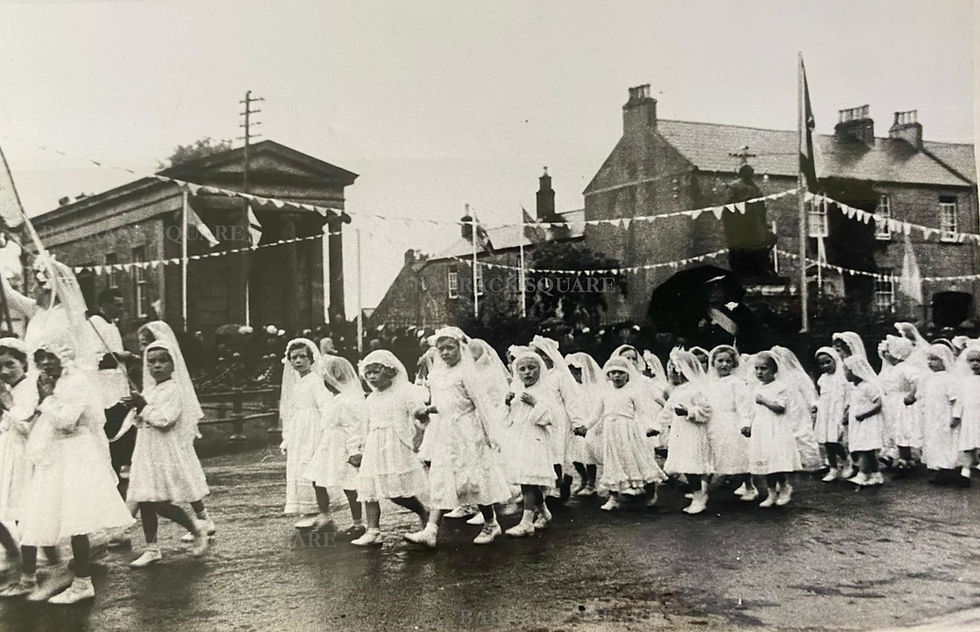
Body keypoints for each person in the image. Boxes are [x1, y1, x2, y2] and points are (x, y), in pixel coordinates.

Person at [3, 344, 134, 603]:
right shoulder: (53, 382)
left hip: (76, 454)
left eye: (51, 357)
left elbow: (67, 421)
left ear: (64, 356)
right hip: (58, 454)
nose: (47, 363)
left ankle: (82, 582)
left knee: (77, 520)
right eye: (41, 359)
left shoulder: (75, 382)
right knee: (55, 517)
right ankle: (69, 576)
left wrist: (47, 399)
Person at [405, 328, 511, 547]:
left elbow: (481, 405)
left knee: (475, 479)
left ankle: (491, 523)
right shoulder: (436, 374)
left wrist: (491, 435)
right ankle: (431, 530)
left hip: (468, 432)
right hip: (445, 432)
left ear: (460, 348)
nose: (445, 353)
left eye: (450, 348)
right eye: (441, 349)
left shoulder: (467, 373)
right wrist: (429, 409)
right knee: (443, 477)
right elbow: (446, 401)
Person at [126, 341, 211, 567]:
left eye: (163, 361)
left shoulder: (175, 390)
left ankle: (196, 529)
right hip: (146, 447)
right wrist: (135, 408)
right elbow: (142, 419)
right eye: (151, 362)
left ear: (173, 364)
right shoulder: (150, 389)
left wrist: (143, 407)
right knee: (145, 500)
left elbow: (165, 420)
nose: (157, 366)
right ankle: (152, 548)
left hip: (163, 450)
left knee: (161, 502)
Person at [137, 322, 216, 541]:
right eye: (143, 349)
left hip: (170, 437)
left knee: (182, 477)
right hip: (151, 439)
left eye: (146, 344)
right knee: (160, 486)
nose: (144, 351)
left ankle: (200, 520)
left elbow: (165, 418)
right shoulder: (151, 382)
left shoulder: (173, 386)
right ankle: (199, 519)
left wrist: (143, 408)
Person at [350, 350, 429, 547]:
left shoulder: (403, 393)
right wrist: (358, 448)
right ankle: (373, 530)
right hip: (374, 445)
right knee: (368, 489)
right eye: (367, 374)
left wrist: (420, 416)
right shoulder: (371, 399)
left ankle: (423, 511)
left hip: (394, 444)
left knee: (396, 493)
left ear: (389, 372)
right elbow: (364, 425)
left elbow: (418, 413)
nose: (371, 377)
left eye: (376, 372)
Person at [573, 357, 666, 511]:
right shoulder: (605, 392)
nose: (617, 376)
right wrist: (585, 427)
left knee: (637, 460)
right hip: (610, 431)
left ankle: (651, 492)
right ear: (608, 375)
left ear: (628, 375)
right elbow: (597, 414)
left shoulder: (633, 392)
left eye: (621, 373)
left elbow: (643, 413)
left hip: (629, 431)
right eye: (613, 373)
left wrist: (651, 426)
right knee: (613, 462)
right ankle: (613, 497)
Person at [304, 355, 366, 537]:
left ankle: (358, 524)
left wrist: (355, 451)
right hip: (329, 443)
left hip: (342, 445)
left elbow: (353, 427)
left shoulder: (347, 400)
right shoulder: (334, 398)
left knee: (349, 485)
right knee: (317, 479)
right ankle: (325, 515)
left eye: (326, 379)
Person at [502, 352, 558, 536]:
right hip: (519, 439)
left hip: (535, 439)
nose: (527, 373)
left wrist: (536, 404)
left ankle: (526, 522)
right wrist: (507, 404)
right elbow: (508, 418)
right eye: (522, 369)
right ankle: (544, 513)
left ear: (540, 370)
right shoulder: (516, 391)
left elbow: (551, 417)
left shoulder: (545, 391)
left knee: (529, 481)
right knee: (528, 480)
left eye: (532, 368)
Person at [89, 289, 140, 483]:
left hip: (118, 382)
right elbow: (94, 357)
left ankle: (121, 466)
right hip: (104, 384)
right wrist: (121, 356)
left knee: (124, 420)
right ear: (105, 304)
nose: (121, 309)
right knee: (111, 420)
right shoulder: (94, 323)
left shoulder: (111, 324)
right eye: (117, 304)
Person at [278, 338, 330, 527]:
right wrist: (288, 439)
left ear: (311, 359)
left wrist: (325, 432)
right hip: (300, 428)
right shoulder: (297, 383)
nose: (298, 361)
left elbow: (325, 406)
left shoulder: (315, 381)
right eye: (294, 358)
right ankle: (308, 509)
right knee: (299, 467)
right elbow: (292, 412)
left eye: (302, 357)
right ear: (289, 361)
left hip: (313, 428)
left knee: (313, 468)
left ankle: (322, 510)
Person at [741, 351, 803, 507]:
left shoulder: (779, 387)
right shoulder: (756, 388)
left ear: (774, 370)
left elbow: (780, 407)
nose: (760, 372)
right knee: (765, 461)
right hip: (761, 428)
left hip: (776, 428)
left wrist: (764, 400)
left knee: (776, 462)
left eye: (764, 368)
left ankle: (784, 487)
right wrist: (748, 424)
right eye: (757, 369)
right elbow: (751, 409)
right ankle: (771, 493)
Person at [529, 335, 584, 502]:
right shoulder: (536, 376)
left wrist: (576, 422)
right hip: (539, 416)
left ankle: (557, 486)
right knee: (542, 452)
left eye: (543, 355)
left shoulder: (559, 375)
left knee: (556, 453)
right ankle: (553, 483)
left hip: (558, 420)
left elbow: (571, 400)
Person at [0, 338, 38, 573]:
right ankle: (14, 553)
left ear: (24, 363)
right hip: (7, 453)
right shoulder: (9, 389)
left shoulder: (31, 388)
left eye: (10, 364)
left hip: (25, 457)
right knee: (10, 510)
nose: (4, 371)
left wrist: (8, 405)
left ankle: (31, 571)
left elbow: (27, 427)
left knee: (25, 514)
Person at [663, 349, 713, 514]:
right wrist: (656, 427)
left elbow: (706, 411)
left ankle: (699, 497)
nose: (670, 371)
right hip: (680, 433)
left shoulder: (696, 389)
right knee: (685, 464)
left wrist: (689, 412)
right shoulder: (678, 390)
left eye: (674, 368)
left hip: (693, 431)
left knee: (692, 465)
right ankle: (698, 493)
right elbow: (667, 410)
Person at [705, 345, 755, 500]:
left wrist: (745, 422)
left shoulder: (736, 383)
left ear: (734, 363)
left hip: (731, 422)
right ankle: (702, 490)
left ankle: (749, 486)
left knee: (739, 454)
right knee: (713, 454)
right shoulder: (709, 383)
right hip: (713, 422)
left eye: (728, 361)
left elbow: (743, 404)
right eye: (720, 361)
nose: (724, 364)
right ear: (713, 362)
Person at [913, 345, 960, 485]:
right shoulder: (930, 378)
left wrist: (956, 416)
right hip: (932, 416)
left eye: (934, 359)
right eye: (929, 359)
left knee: (947, 441)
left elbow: (955, 399)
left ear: (944, 360)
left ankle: (950, 470)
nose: (930, 363)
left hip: (945, 415)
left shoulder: (950, 378)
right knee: (934, 441)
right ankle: (940, 470)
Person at [878, 336, 920, 473]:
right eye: (884, 352)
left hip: (901, 402)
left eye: (888, 351)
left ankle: (905, 460)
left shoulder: (905, 367)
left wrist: (911, 395)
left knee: (903, 430)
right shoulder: (887, 369)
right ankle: (894, 456)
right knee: (893, 430)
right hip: (889, 402)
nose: (885, 354)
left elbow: (915, 380)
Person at [842, 356, 885, 487]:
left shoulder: (868, 387)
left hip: (868, 422)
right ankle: (876, 474)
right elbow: (852, 404)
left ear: (856, 371)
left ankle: (863, 473)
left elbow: (878, 404)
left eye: (847, 370)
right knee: (866, 448)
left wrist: (865, 414)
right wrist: (846, 415)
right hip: (858, 423)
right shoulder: (853, 388)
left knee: (865, 449)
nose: (845, 374)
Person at [565, 352, 603, 495]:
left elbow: (597, 409)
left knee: (589, 454)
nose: (574, 375)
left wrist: (590, 425)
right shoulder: (571, 388)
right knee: (574, 454)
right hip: (575, 423)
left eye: (577, 371)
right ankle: (583, 478)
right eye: (572, 371)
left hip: (589, 424)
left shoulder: (593, 388)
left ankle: (591, 483)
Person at [813, 347, 851, 482]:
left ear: (835, 360)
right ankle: (833, 468)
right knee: (826, 442)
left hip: (837, 411)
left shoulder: (842, 377)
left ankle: (846, 461)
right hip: (825, 412)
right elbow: (822, 397)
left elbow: (847, 395)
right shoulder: (823, 379)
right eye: (821, 364)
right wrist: (816, 406)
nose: (825, 366)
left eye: (828, 362)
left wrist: (846, 410)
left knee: (834, 440)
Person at [951, 347, 980, 486]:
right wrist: (956, 416)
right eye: (972, 361)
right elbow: (960, 400)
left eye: (978, 361)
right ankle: (965, 470)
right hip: (969, 416)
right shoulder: (964, 381)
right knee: (968, 443)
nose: (975, 364)